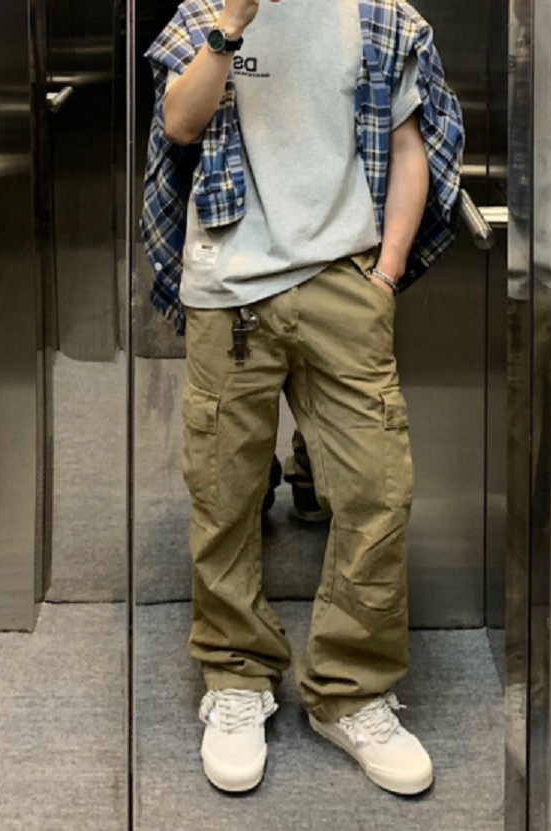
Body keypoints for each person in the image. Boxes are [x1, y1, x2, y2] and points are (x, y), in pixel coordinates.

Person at [142, 0, 464, 795]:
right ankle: (236, 675)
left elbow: (409, 148)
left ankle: (351, 690)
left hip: (345, 279)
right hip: (228, 286)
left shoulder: (381, 16)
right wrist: (232, 24)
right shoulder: (204, 11)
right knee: (224, 492)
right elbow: (179, 123)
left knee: (379, 489)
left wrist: (386, 274)